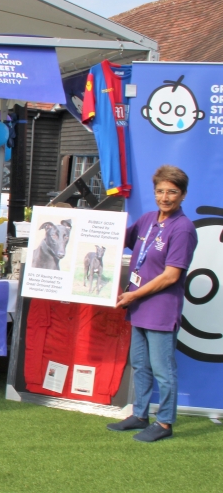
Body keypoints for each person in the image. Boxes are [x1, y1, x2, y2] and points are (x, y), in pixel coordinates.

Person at [108, 165, 198, 442]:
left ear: (182, 195)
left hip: (160, 308)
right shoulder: (148, 220)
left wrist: (132, 295)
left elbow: (171, 275)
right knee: (140, 364)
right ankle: (140, 414)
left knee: (163, 369)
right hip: (138, 308)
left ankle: (165, 423)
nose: (165, 197)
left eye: (172, 192)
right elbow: (116, 239)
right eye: (160, 191)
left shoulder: (183, 229)